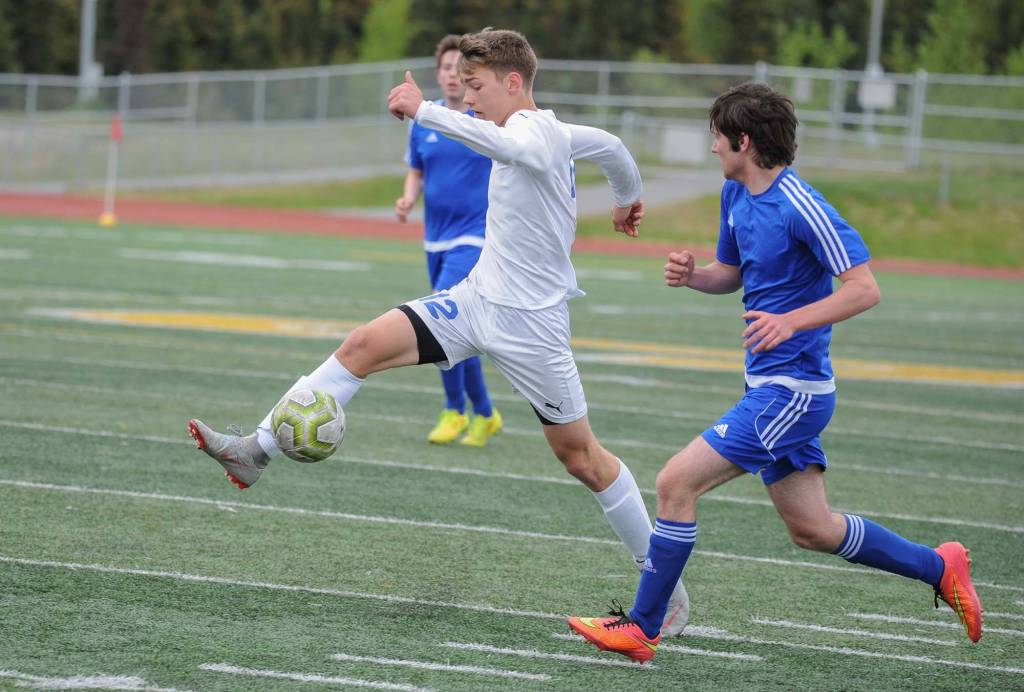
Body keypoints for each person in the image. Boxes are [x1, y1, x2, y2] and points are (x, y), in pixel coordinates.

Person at [187, 27, 690, 637]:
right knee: (361, 347)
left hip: (532, 327)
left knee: (581, 458)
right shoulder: (553, 129)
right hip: (476, 301)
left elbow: (528, 152)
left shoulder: (531, 133)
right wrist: (626, 198)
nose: (468, 99)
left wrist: (422, 110)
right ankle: (256, 451)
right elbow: (612, 146)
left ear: (512, 82)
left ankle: (660, 582)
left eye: (476, 87)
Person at [567, 82, 983, 663]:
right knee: (811, 528)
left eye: (717, 136)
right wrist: (695, 276)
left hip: (795, 391)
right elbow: (731, 274)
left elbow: (864, 289)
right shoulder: (735, 196)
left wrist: (791, 323)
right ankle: (939, 566)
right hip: (766, 385)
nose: (712, 148)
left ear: (743, 140)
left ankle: (642, 626)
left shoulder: (801, 204)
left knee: (674, 482)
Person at [395, 34, 501, 447]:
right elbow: (417, 170)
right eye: (446, 68)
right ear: (437, 74)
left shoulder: (483, 121)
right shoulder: (425, 120)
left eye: (461, 69)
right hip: (434, 240)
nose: (453, 76)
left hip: (474, 239)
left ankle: (455, 410)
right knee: (463, 329)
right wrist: (408, 197)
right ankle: (486, 414)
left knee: (442, 316)